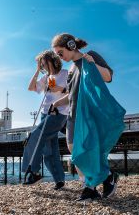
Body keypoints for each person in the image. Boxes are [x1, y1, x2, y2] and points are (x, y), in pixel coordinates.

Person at [51, 33, 120, 201]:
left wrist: (93, 63)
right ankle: (105, 177)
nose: (60, 57)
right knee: (73, 150)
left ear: (71, 45)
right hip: (73, 113)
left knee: (89, 149)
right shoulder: (71, 69)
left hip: (89, 113)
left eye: (61, 53)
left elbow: (109, 77)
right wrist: (56, 104)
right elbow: (71, 94)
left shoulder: (91, 56)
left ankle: (90, 187)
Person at [22, 50, 68, 190]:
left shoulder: (65, 73)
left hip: (59, 112)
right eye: (41, 64)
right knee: (50, 150)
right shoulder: (47, 77)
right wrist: (37, 71)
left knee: (35, 136)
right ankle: (59, 180)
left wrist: (57, 88)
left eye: (44, 63)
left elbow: (72, 90)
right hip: (45, 114)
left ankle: (34, 172)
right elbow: (31, 88)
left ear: (52, 61)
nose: (43, 66)